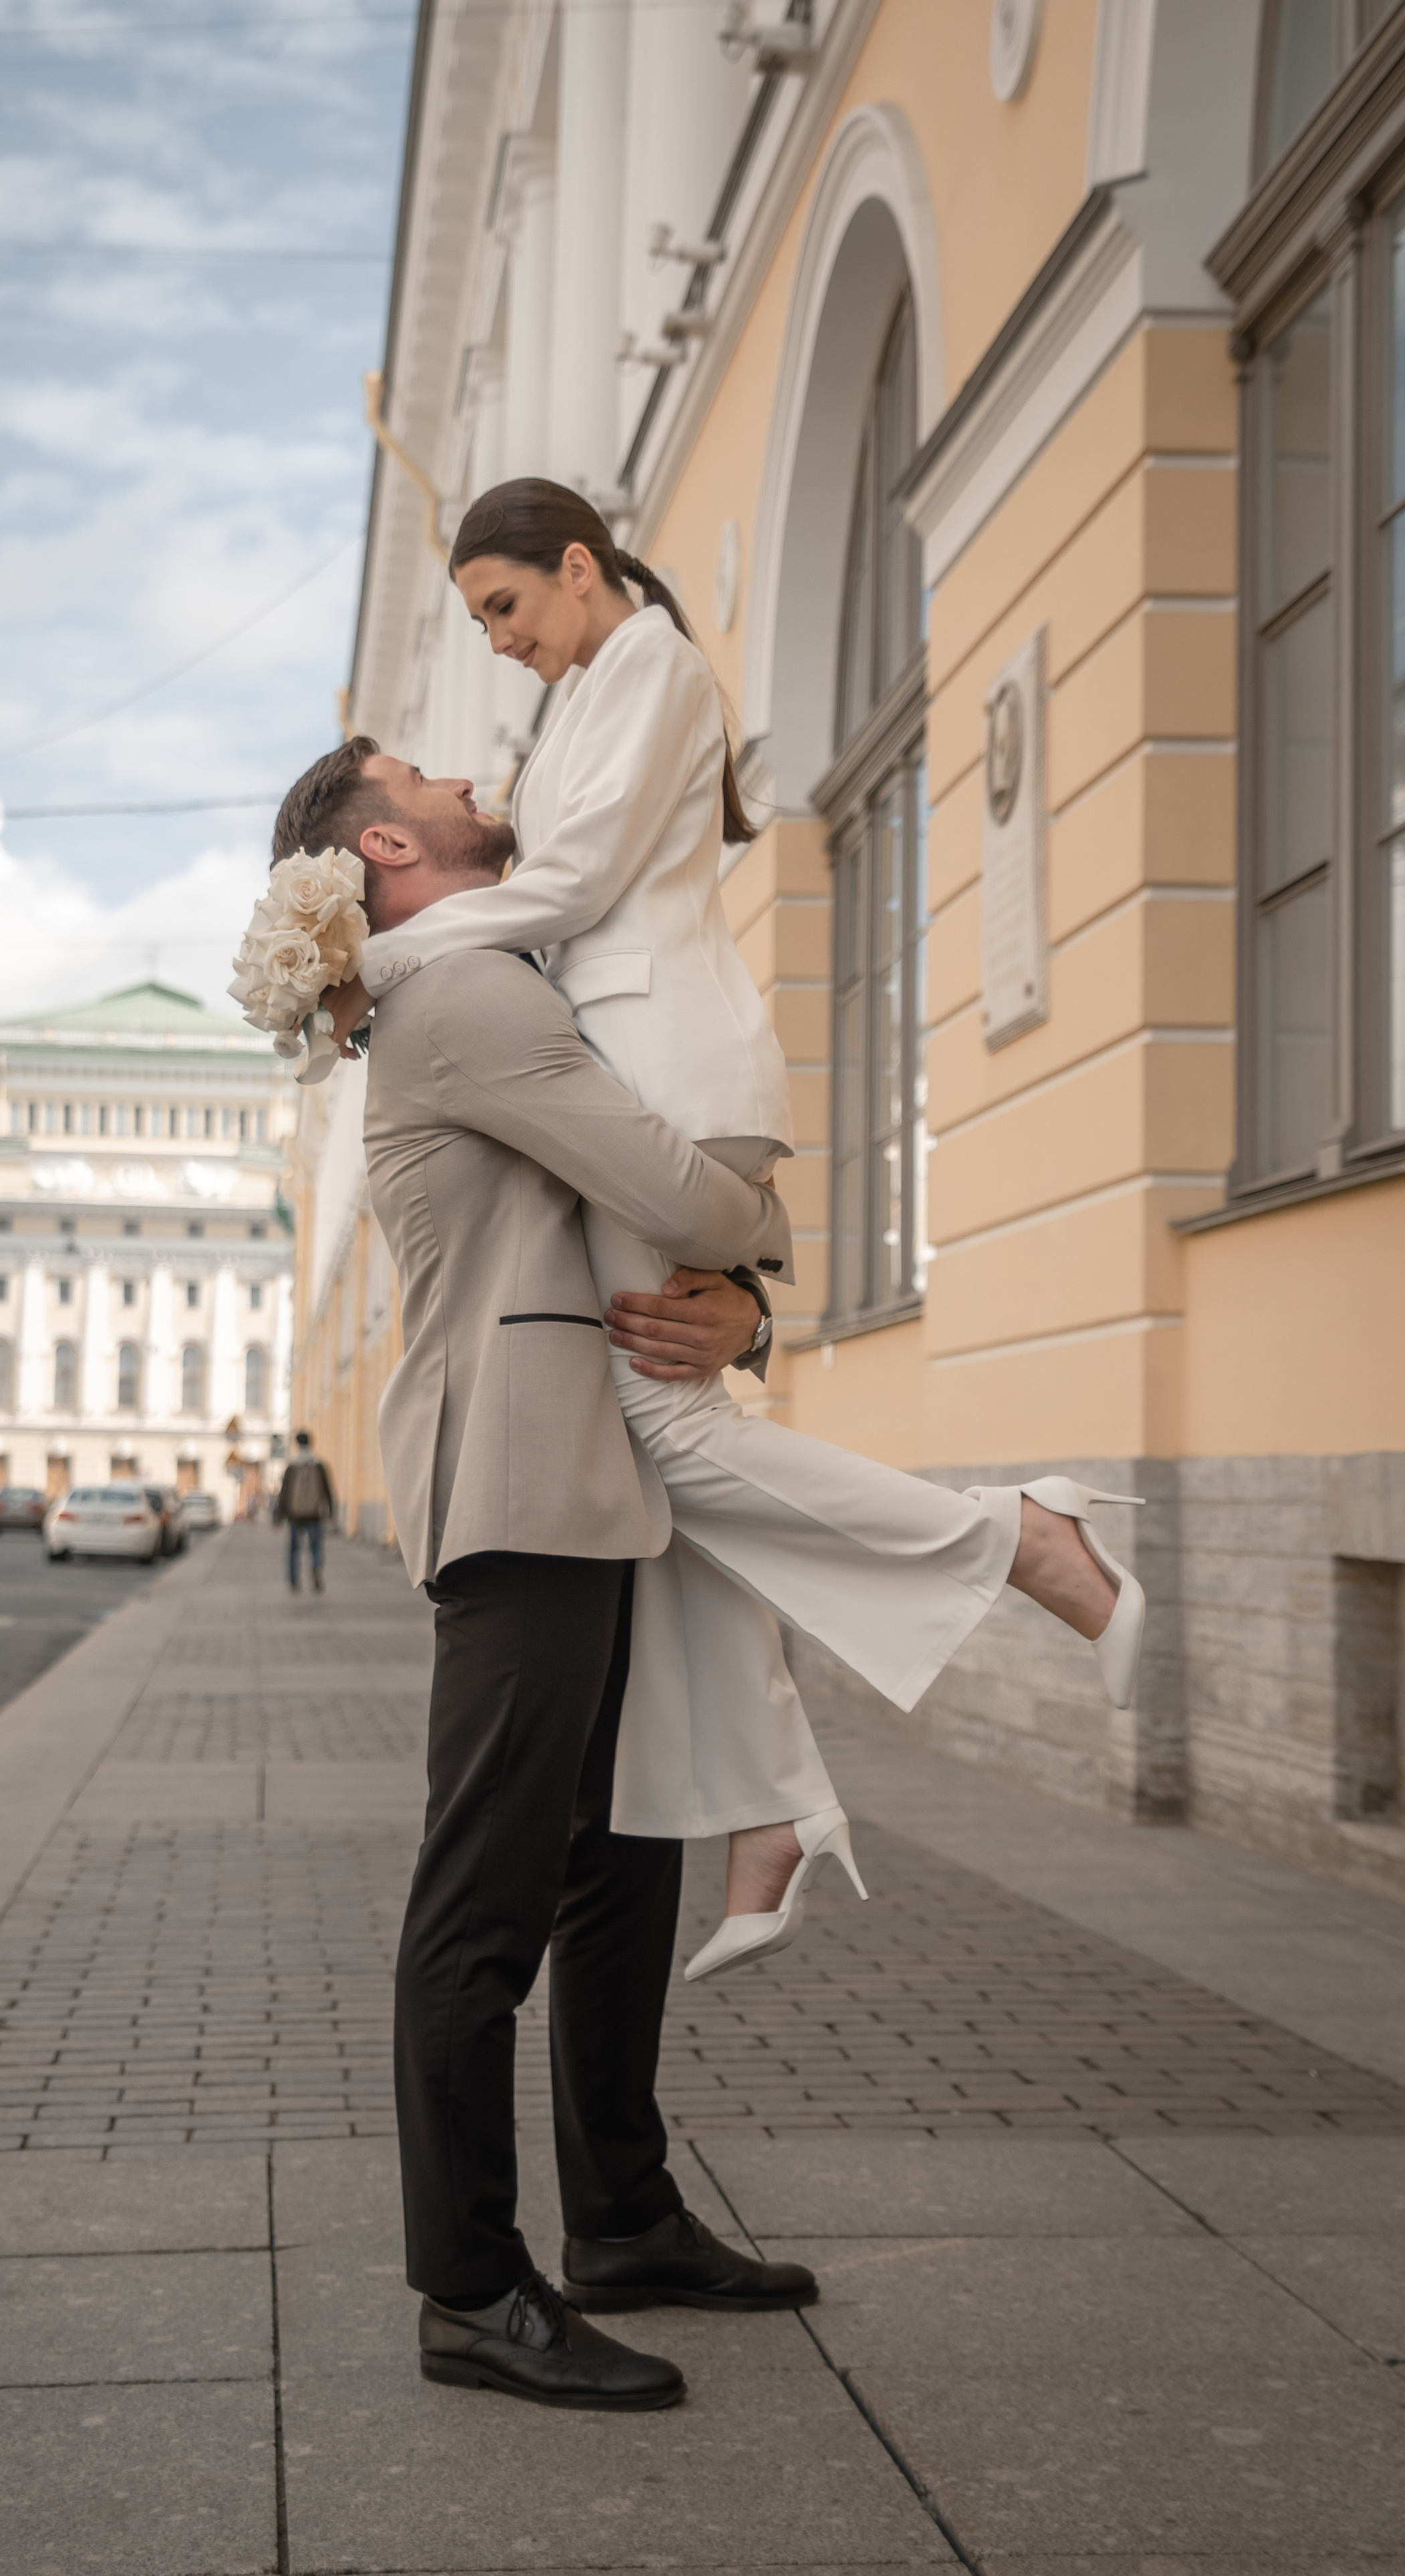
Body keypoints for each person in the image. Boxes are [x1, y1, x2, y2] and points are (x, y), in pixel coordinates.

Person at [278, 480, 1145, 1979]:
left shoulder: (651, 669)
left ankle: (1016, 1536)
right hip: (644, 1059)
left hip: (664, 1060)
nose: (493, 647)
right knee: (669, 1468)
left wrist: (377, 951)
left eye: (502, 606)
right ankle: (769, 1806)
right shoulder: (595, 694)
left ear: (574, 563)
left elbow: (574, 887)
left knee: (670, 1441)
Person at [315, 812, 817, 2409]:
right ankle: (467, 2284)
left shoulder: (497, 974)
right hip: (523, 1483)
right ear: (382, 836)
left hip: (587, 1475)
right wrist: (757, 1252)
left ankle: (622, 2215)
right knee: (486, 1893)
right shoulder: (463, 991)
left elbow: (631, 1206)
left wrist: (731, 1302)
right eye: (425, 774)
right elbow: (661, 1171)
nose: (474, 778)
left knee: (618, 1860)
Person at [277, 1429, 335, 1592]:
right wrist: (330, 1511)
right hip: (314, 1514)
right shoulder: (319, 1465)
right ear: (311, 1443)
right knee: (315, 1547)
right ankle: (316, 1567)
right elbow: (327, 1489)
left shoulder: (292, 1466)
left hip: (295, 1515)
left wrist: (279, 1515)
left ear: (297, 1443)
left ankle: (294, 1582)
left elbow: (285, 1492)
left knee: (294, 1550)